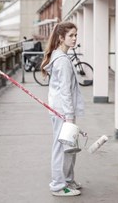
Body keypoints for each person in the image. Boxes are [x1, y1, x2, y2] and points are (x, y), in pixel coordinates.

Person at [41, 21, 84, 197]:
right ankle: (58, 185)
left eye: (75, 35)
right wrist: (69, 116)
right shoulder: (62, 61)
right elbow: (65, 91)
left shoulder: (60, 56)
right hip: (62, 112)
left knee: (70, 148)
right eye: (71, 36)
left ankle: (67, 179)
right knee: (61, 148)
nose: (74, 39)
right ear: (61, 38)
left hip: (61, 110)